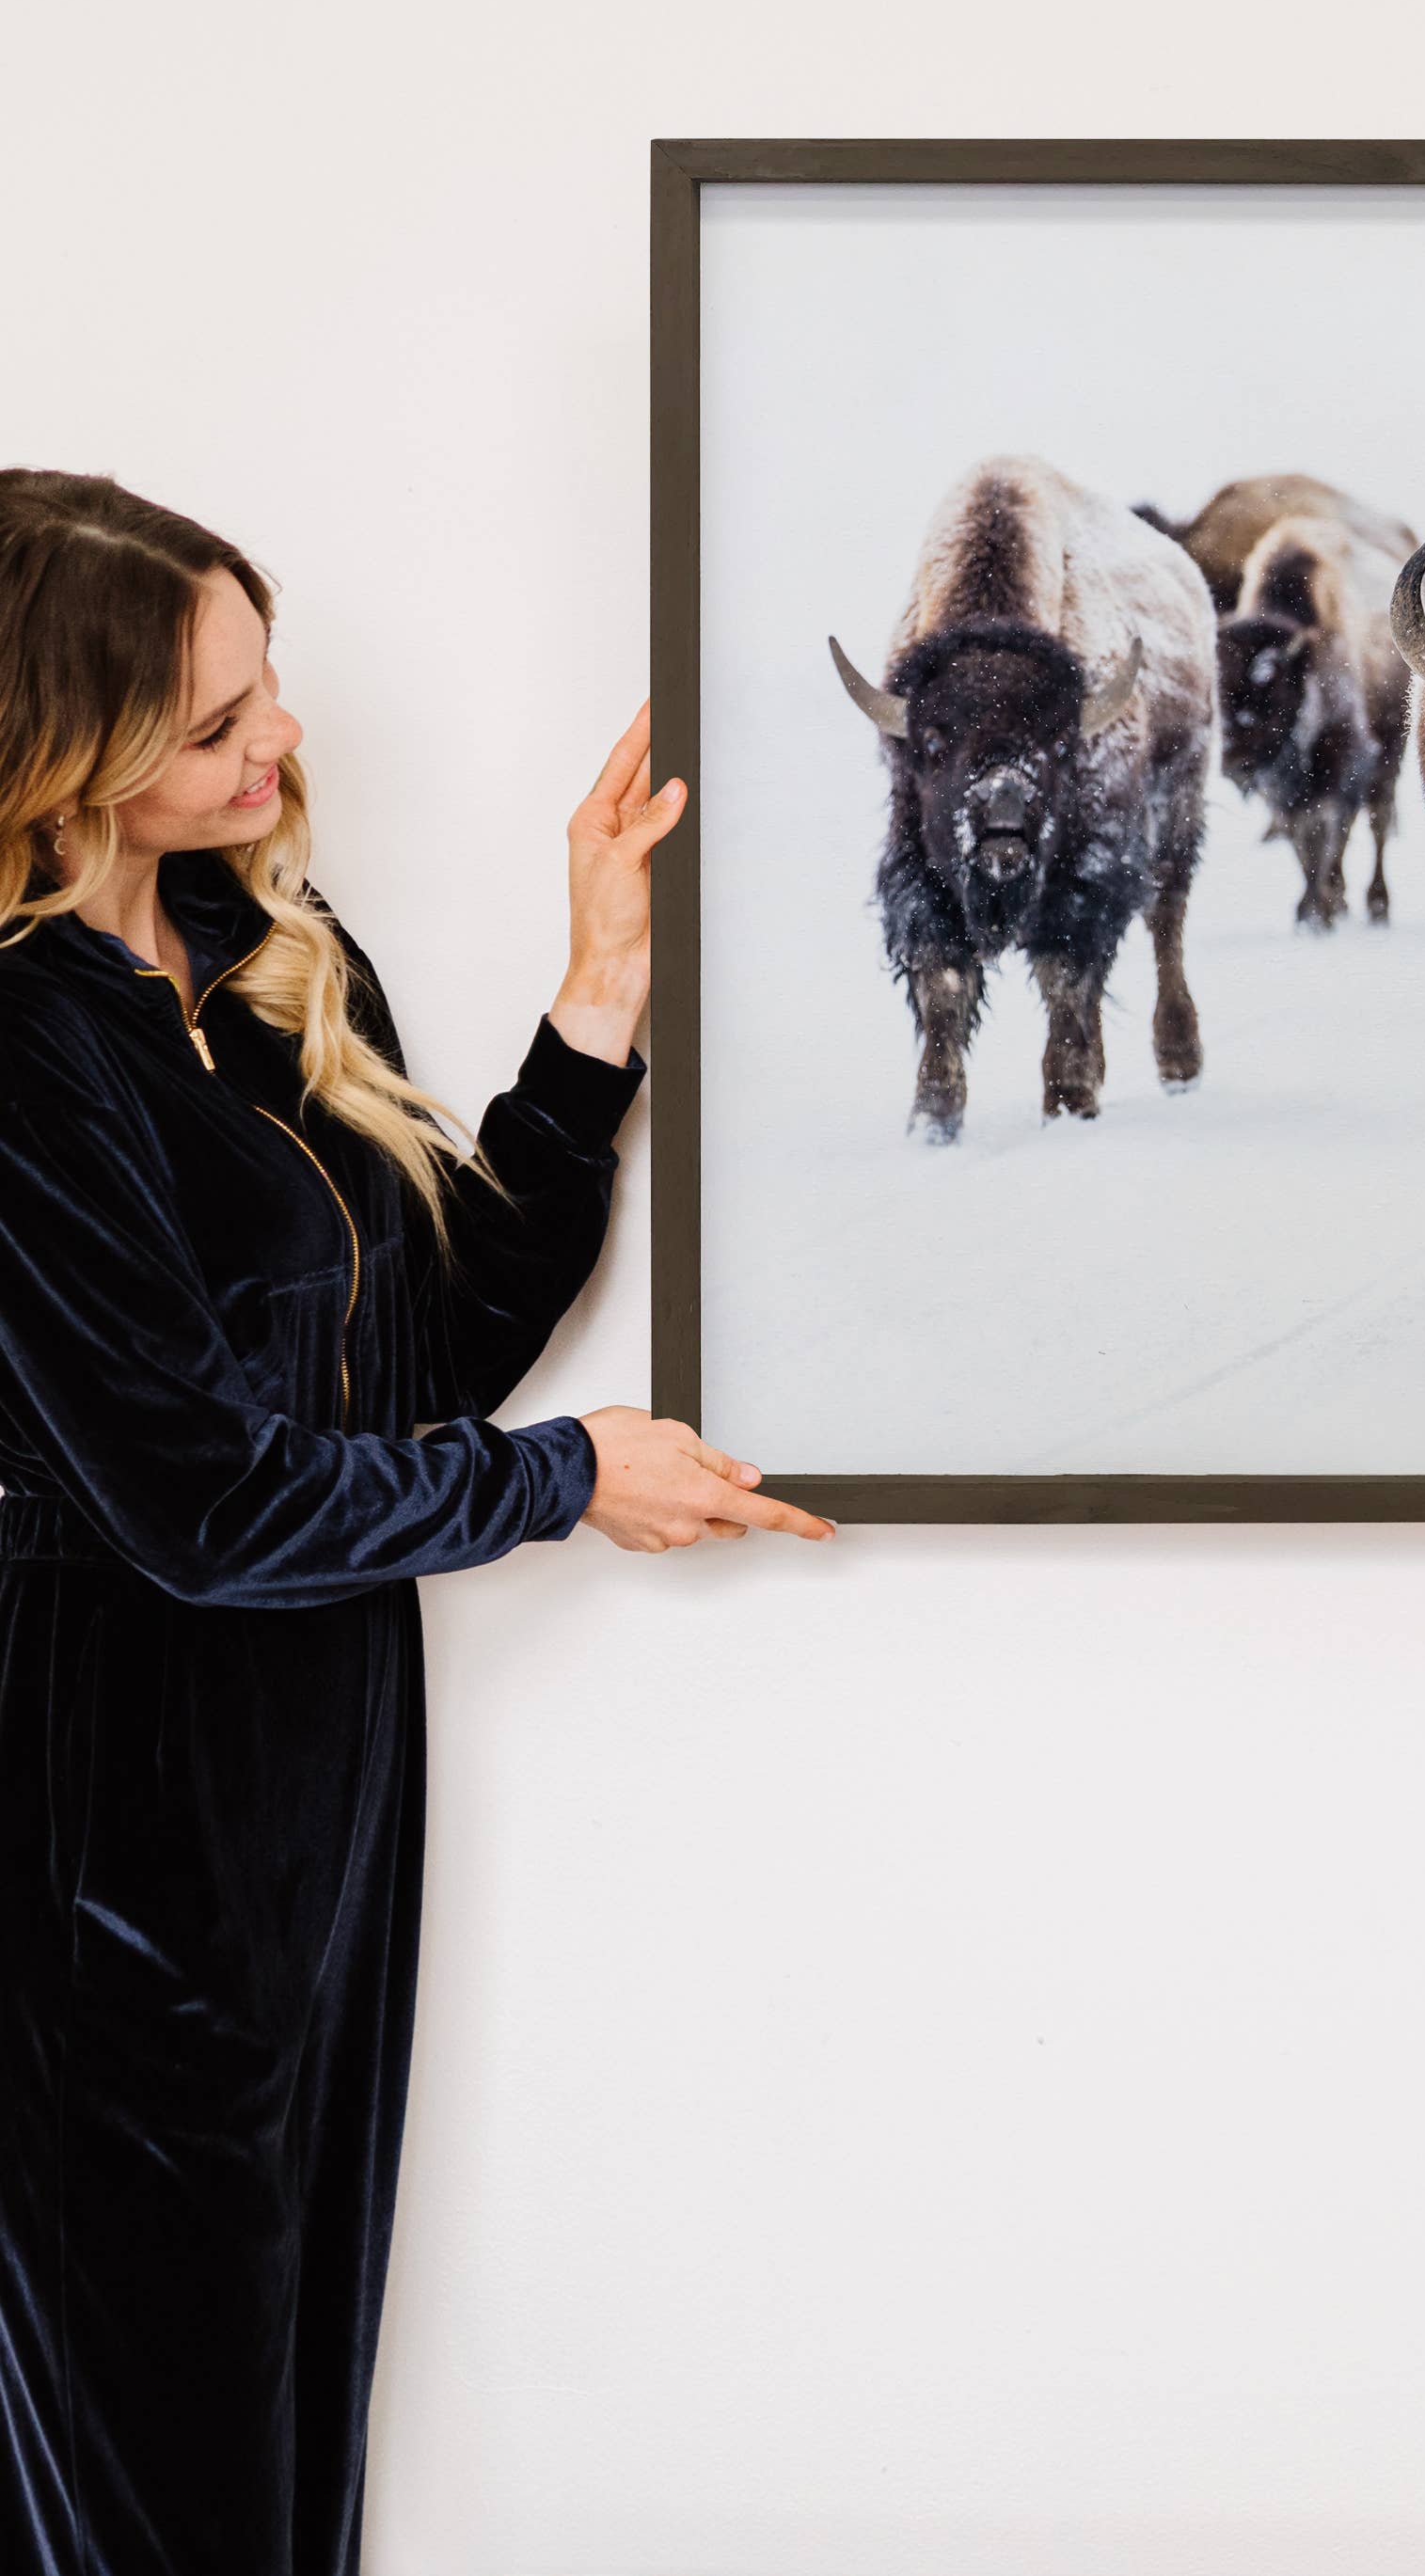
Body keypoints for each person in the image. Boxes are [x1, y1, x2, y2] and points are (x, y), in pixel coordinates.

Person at [0, 469, 832, 2576]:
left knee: (276, 2438)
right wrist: (569, 1483)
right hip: (91, 1831)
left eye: (267, 687)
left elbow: (425, 1347)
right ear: (56, 752)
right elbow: (196, 1503)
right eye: (216, 725)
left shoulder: (257, 947)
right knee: (149, 2476)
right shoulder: (18, 1053)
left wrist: (600, 994)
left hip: (310, 1801)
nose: (279, 746)